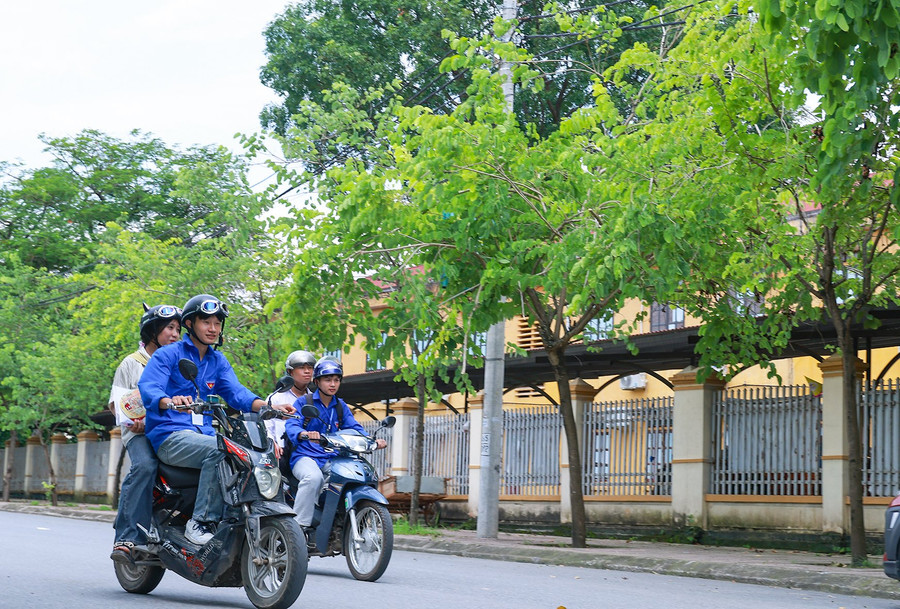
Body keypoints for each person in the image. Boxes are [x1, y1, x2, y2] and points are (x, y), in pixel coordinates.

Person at [139, 294, 295, 545]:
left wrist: (270, 406)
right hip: (170, 435)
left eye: (217, 323)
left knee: (247, 455)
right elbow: (149, 387)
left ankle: (235, 518)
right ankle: (200, 522)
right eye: (206, 322)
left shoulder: (217, 361)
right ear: (189, 324)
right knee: (223, 452)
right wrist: (169, 401)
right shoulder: (168, 354)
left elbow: (237, 393)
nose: (213, 329)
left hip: (204, 436)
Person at [109, 303, 182, 563]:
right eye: (168, 328)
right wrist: (133, 423)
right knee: (145, 467)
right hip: (139, 433)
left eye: (177, 329)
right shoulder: (131, 363)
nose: (174, 334)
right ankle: (126, 537)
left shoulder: (180, 363)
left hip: (173, 431)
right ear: (152, 330)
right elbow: (116, 404)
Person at [284, 359, 386, 530]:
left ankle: (338, 521)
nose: (332, 384)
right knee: (313, 478)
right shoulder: (304, 402)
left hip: (332, 457)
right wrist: (304, 434)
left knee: (353, 475)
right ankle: (299, 528)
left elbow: (354, 427)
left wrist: (371, 440)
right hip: (306, 456)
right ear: (317, 382)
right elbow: (292, 424)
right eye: (327, 380)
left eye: (336, 380)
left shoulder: (340, 406)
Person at [265, 349, 317, 459]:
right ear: (290, 371)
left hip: (310, 453)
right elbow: (267, 427)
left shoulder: (315, 399)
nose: (307, 371)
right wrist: (272, 444)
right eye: (302, 368)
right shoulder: (276, 397)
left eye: (310, 368)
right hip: (281, 454)